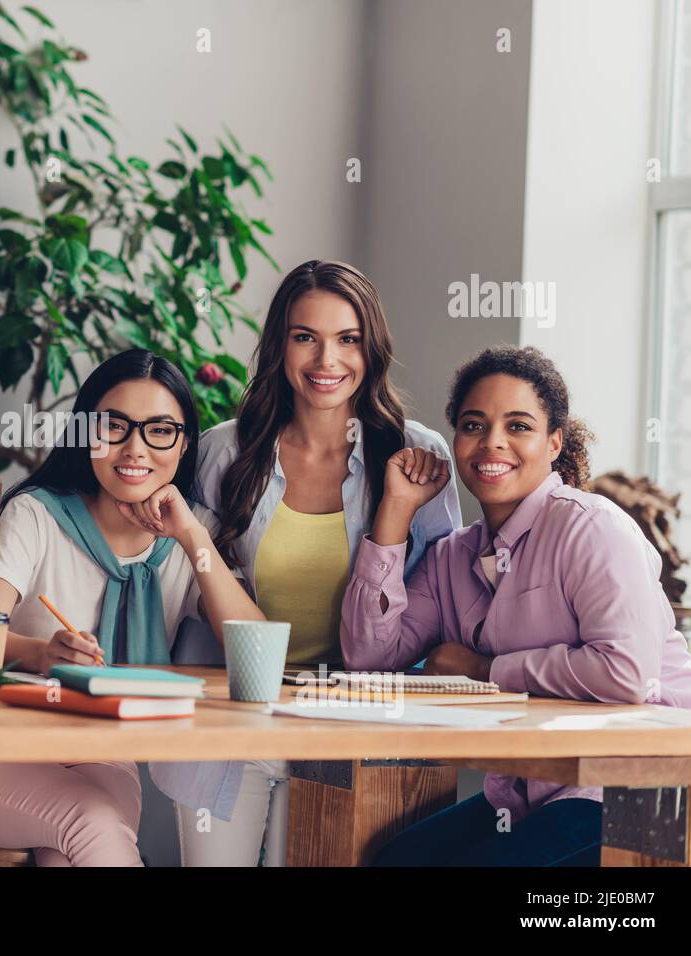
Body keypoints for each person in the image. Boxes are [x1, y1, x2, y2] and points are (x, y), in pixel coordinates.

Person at [148, 259, 463, 866]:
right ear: (279, 345)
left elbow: (441, 599)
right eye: (305, 337)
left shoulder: (416, 455)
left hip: (350, 730)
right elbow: (183, 573)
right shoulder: (224, 451)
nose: (327, 360)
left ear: (371, 349)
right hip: (234, 721)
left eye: (347, 339)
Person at [345, 345, 691, 866]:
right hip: (535, 789)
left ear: (554, 441)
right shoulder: (452, 557)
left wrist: (484, 669)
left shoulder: (591, 528)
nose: (493, 441)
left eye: (518, 426)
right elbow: (368, 657)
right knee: (395, 862)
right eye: (474, 425)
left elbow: (626, 673)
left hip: (648, 788)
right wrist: (396, 509)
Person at [0, 349, 264, 866]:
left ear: (184, 442)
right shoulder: (36, 515)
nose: (134, 448)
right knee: (93, 824)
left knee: (71, 852)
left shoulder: (191, 533)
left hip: (101, 757)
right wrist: (41, 654)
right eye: (114, 427)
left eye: (159, 430)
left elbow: (254, 650)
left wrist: (192, 537)